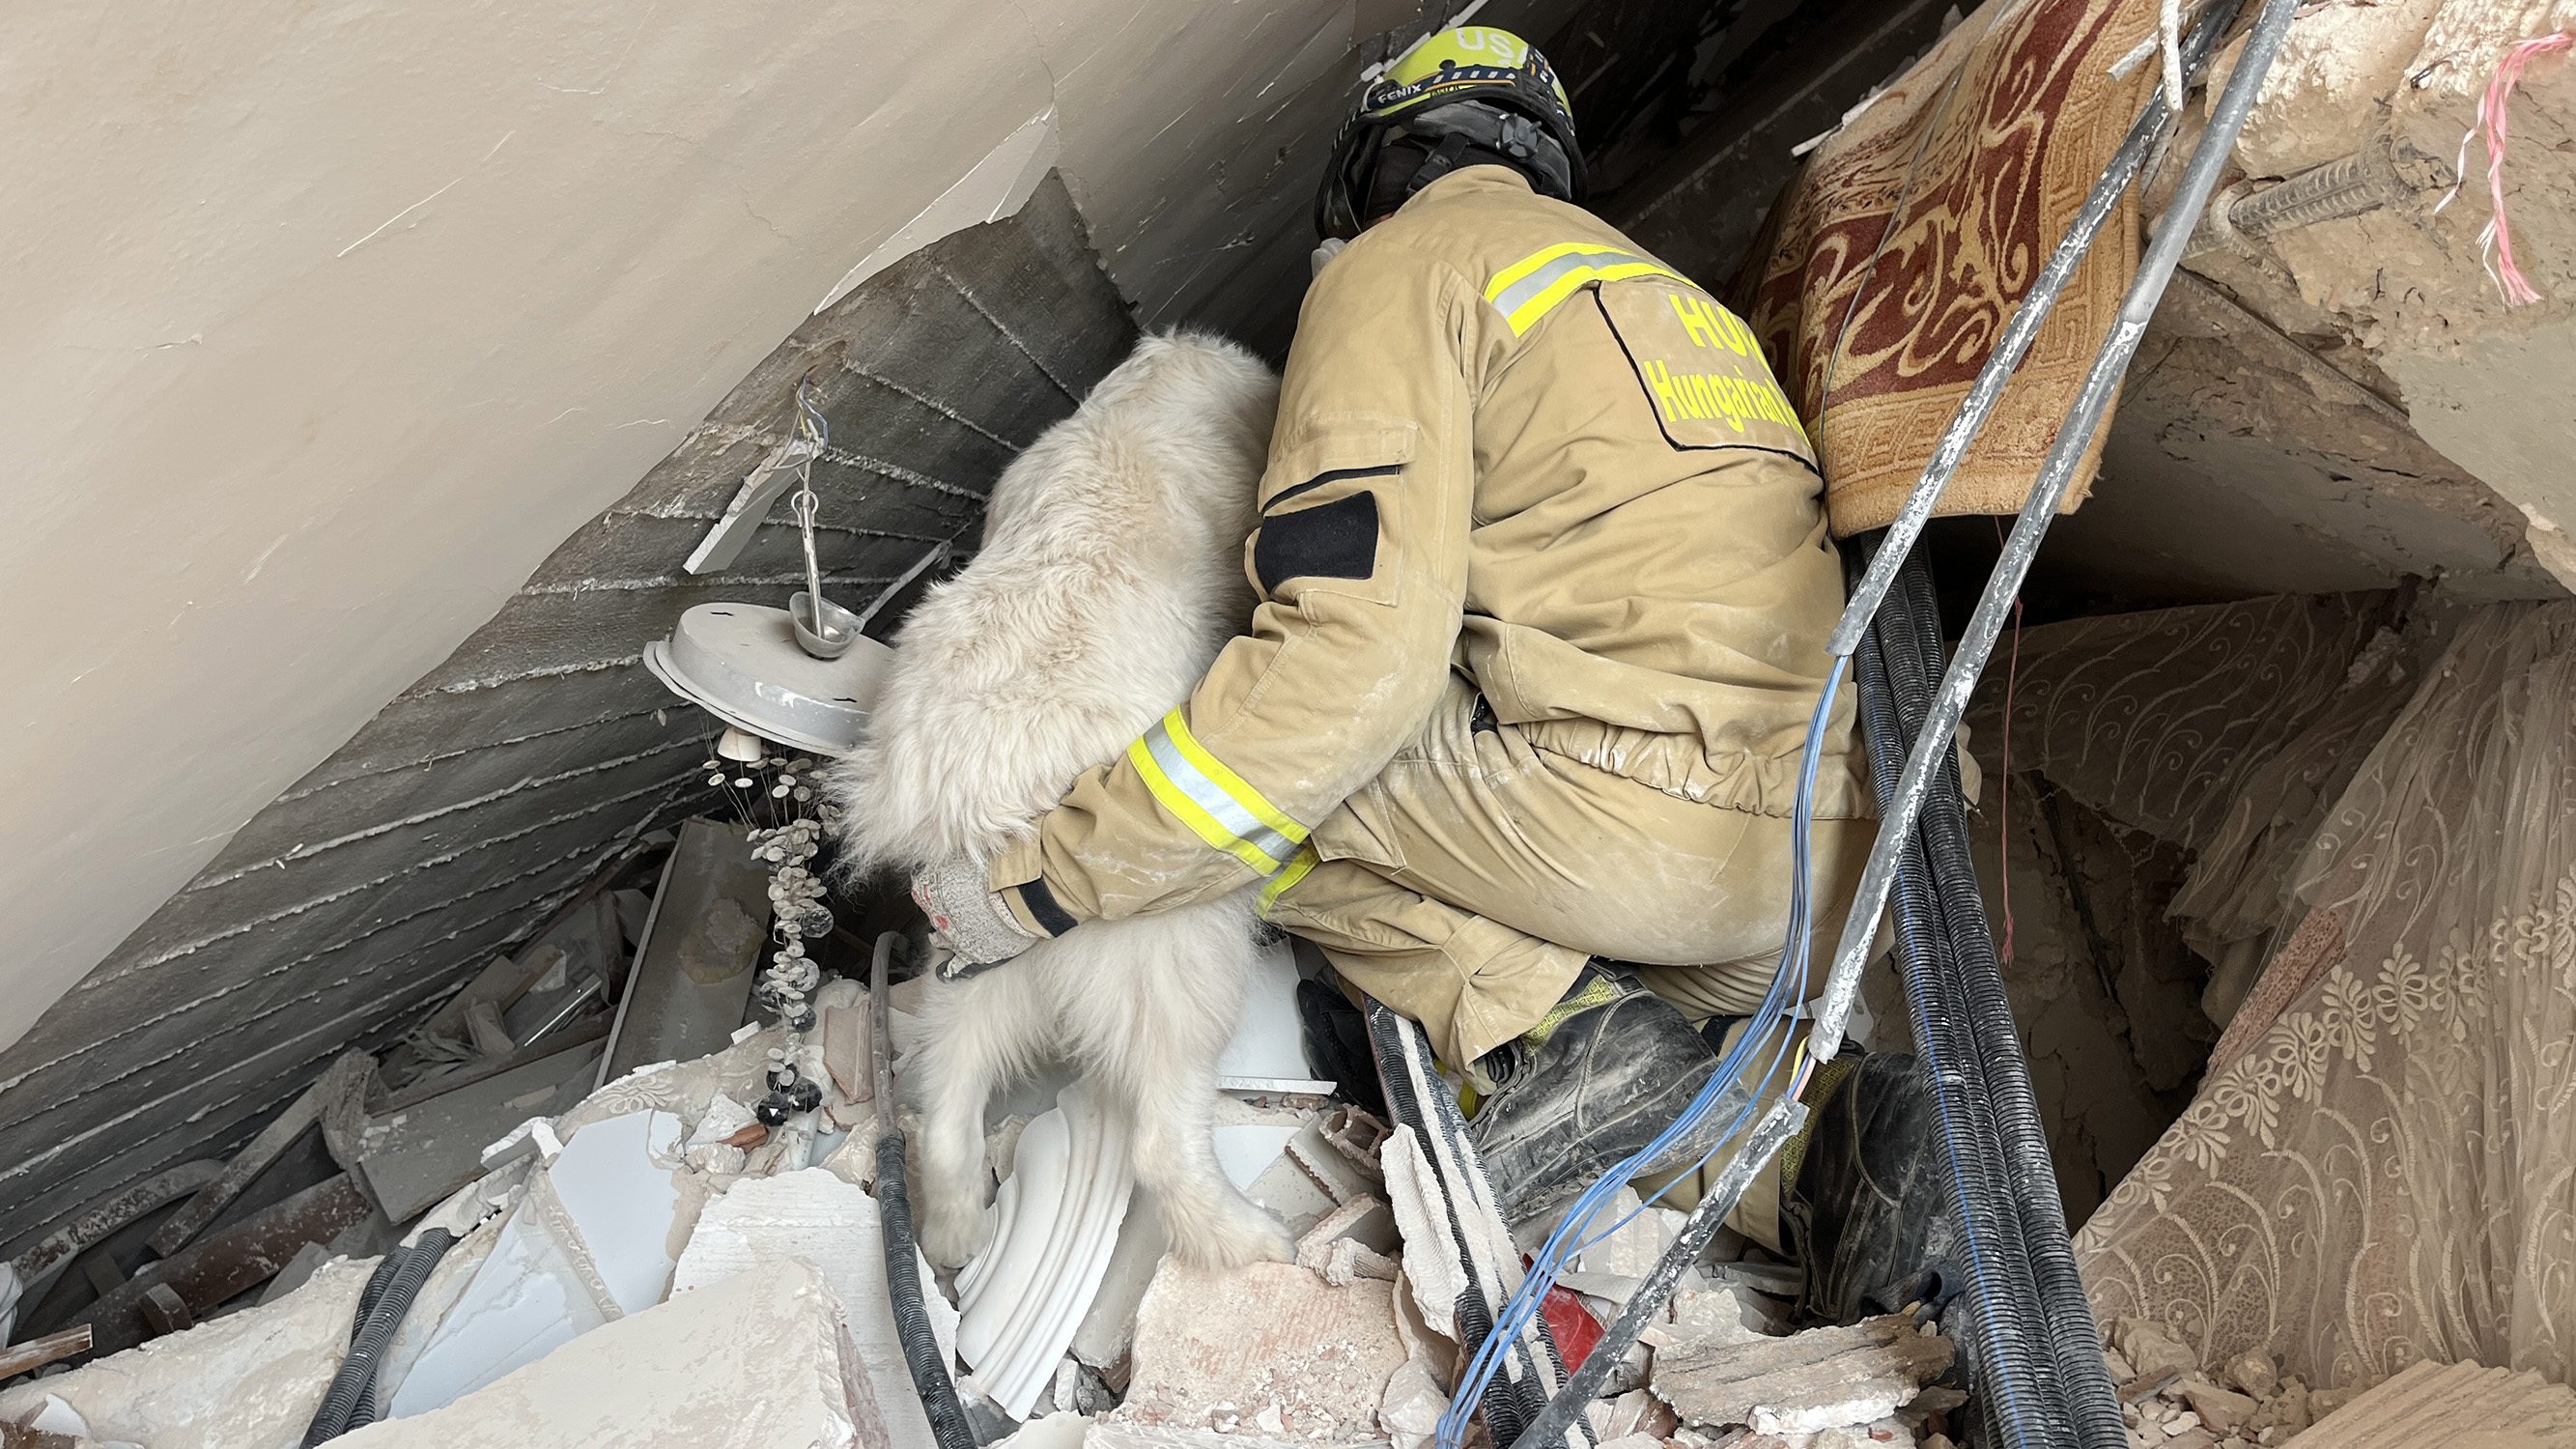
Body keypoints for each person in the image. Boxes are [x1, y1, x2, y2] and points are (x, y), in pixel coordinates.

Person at [914, 25, 1942, 1323]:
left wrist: (1041, 882)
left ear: (1376, 169)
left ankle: (1557, 1041)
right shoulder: (1677, 302)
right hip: (1824, 877)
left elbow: (1348, 669)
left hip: (1645, 838)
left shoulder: (1403, 272)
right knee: (1432, 788)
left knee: (1263, 782)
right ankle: (1829, 1132)